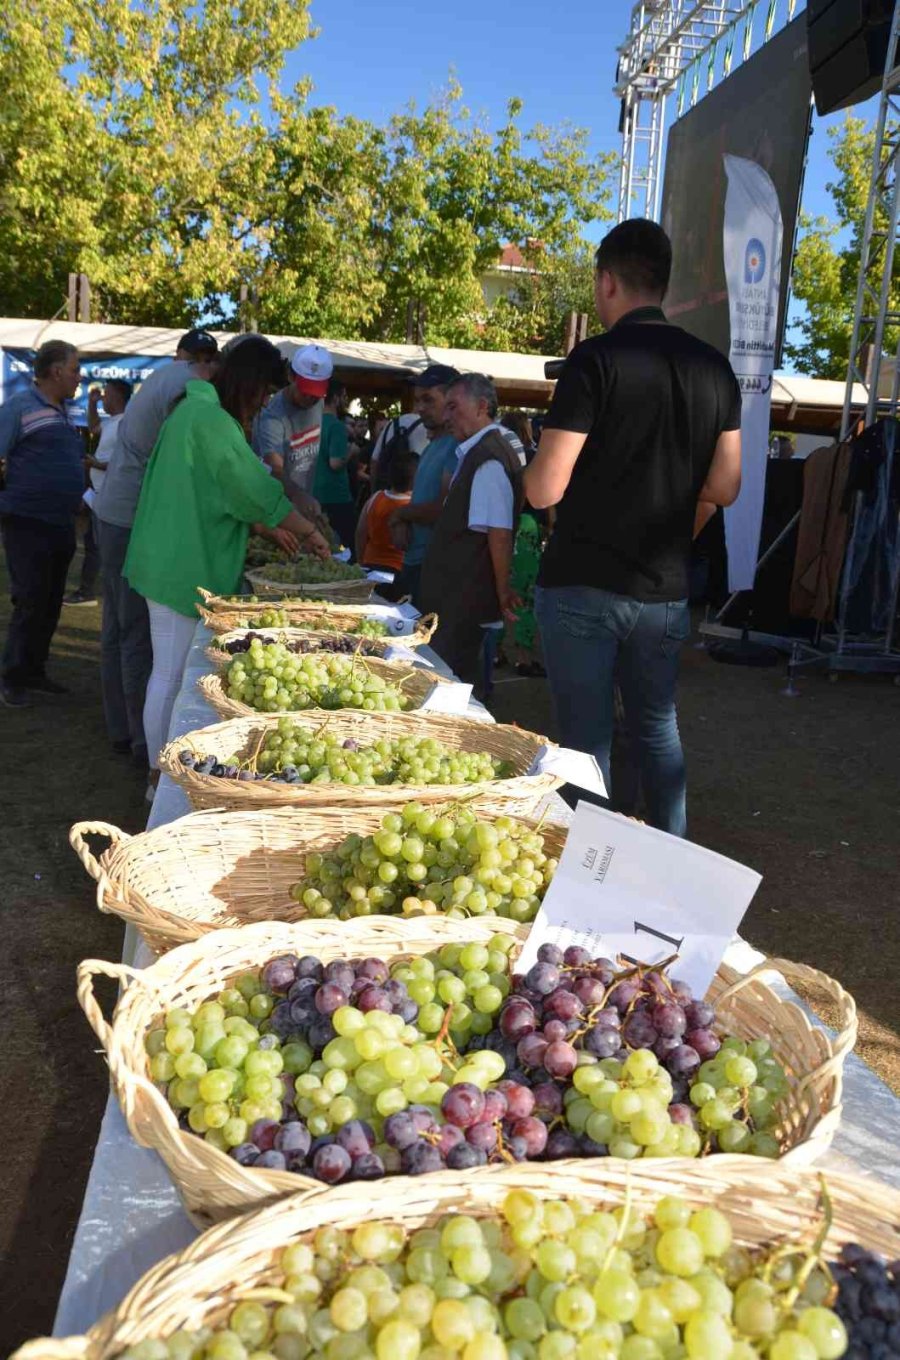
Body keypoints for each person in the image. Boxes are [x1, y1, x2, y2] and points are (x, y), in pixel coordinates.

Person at [525, 218, 742, 837]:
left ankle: (583, 876)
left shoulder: (594, 361)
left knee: (585, 742)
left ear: (607, 281)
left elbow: (545, 487)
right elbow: (724, 487)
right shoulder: (715, 369)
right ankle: (668, 862)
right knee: (656, 728)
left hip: (581, 582)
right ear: (664, 283)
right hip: (663, 591)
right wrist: (680, 530)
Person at [124, 336, 330, 773]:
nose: (262, 403)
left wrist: (263, 523)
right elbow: (253, 489)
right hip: (179, 563)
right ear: (249, 383)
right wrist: (307, 529)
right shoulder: (210, 421)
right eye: (263, 393)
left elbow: (214, 490)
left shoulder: (193, 411)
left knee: (167, 673)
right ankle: (160, 774)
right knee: (172, 676)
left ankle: (156, 770)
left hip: (167, 554)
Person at [95, 328, 219, 758]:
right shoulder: (186, 387)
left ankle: (119, 728)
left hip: (112, 510)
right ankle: (140, 740)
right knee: (136, 637)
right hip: (130, 517)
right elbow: (187, 458)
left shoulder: (164, 376)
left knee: (116, 628)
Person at [420, 373, 524, 684]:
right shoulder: (480, 452)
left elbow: (499, 532)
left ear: (481, 407)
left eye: (453, 407)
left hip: (462, 603)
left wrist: (503, 590)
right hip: (456, 598)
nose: (447, 415)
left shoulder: (488, 457)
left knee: (453, 683)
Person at [0, 340, 84, 706]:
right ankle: (11, 678)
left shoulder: (63, 409)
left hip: (60, 522)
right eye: (75, 369)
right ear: (56, 371)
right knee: (30, 600)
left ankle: (35, 671)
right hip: (27, 521)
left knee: (50, 601)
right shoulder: (18, 407)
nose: (79, 377)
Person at [390, 364, 460, 606]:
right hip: (415, 561)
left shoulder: (456, 446)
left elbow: (442, 507)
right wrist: (403, 519)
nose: (419, 408)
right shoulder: (434, 446)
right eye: (418, 400)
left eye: (428, 400)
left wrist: (399, 514)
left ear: (453, 399)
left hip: (433, 567)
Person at [65, 378, 133, 606]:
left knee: (98, 547)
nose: (103, 397)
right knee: (93, 542)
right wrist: (92, 404)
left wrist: (94, 464)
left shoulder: (126, 424)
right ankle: (89, 591)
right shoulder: (113, 421)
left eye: (106, 394)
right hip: (99, 492)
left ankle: (91, 592)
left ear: (117, 396)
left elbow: (123, 462)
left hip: (110, 495)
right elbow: (94, 428)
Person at [252, 344, 333, 504]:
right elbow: (275, 469)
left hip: (305, 498)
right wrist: (300, 497)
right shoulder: (272, 416)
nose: (311, 398)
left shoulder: (319, 402)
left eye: (316, 392)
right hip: (276, 503)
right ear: (290, 376)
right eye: (305, 390)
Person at [312, 378, 356, 553]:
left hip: (314, 493)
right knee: (346, 548)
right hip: (336, 496)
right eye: (344, 395)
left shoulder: (312, 423)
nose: (346, 400)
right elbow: (336, 463)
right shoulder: (337, 427)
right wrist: (351, 451)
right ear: (336, 398)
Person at [355, 451, 414, 580]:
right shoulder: (412, 506)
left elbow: (360, 533)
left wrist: (361, 562)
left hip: (369, 565)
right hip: (398, 571)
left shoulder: (375, 498)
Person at [370, 409, 429, 492]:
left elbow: (374, 462)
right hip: (415, 495)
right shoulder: (428, 428)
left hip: (388, 492)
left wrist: (374, 493)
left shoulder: (390, 425)